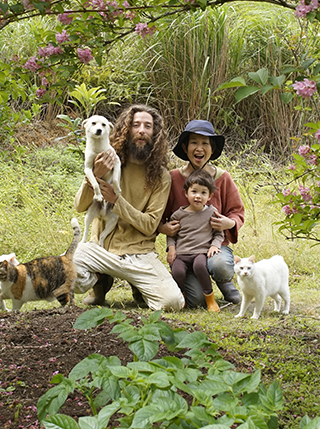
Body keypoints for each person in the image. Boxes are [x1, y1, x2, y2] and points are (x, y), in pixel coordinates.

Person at [73, 104, 184, 311]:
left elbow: (150, 225)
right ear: (125, 130)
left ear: (155, 134)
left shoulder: (161, 176)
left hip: (138, 254)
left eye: (148, 126)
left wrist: (117, 201)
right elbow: (80, 206)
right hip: (101, 249)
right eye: (135, 125)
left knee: (173, 303)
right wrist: (96, 174)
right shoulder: (108, 159)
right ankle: (100, 280)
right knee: (66, 275)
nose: (141, 130)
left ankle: (138, 285)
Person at [159, 119, 245, 307]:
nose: (199, 148)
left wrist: (229, 223)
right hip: (185, 249)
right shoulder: (173, 178)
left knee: (220, 264)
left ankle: (225, 283)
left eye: (205, 143)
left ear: (212, 149)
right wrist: (163, 228)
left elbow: (237, 211)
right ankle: (190, 284)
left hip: (214, 246)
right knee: (196, 300)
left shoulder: (222, 178)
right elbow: (158, 213)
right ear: (185, 147)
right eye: (194, 142)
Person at [167, 170, 224, 312]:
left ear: (210, 196)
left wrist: (214, 246)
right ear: (186, 193)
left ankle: (210, 299)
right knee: (177, 271)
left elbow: (219, 233)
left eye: (203, 193)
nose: (198, 196)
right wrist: (171, 248)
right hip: (181, 254)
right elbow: (171, 234)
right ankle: (182, 297)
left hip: (200, 253)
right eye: (194, 191)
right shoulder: (178, 215)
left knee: (200, 266)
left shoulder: (211, 212)